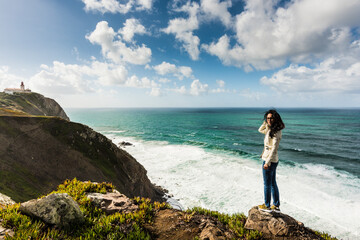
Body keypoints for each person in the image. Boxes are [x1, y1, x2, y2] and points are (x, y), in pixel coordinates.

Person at [258, 109, 285, 213]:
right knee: (273, 183)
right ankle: (276, 205)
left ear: (275, 119)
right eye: (267, 118)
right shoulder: (270, 129)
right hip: (272, 160)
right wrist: (265, 122)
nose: (269, 120)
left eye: (271, 118)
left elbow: (274, 148)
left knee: (267, 184)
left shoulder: (276, 131)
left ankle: (267, 205)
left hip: (269, 160)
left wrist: (267, 162)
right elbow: (260, 130)